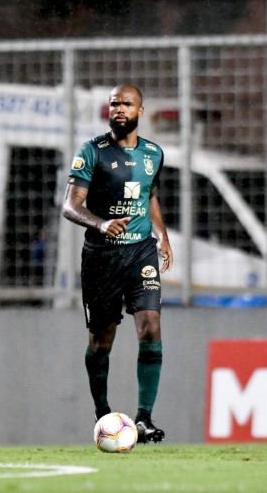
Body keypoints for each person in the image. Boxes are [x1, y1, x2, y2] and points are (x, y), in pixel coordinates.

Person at [61, 84, 173, 443]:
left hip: (140, 251)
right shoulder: (92, 152)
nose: (119, 109)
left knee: (151, 326)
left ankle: (144, 418)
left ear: (141, 110)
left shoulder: (154, 154)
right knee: (101, 341)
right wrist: (100, 222)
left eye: (126, 103)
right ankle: (102, 413)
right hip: (102, 257)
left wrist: (163, 235)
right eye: (114, 104)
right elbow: (69, 205)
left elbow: (149, 195)